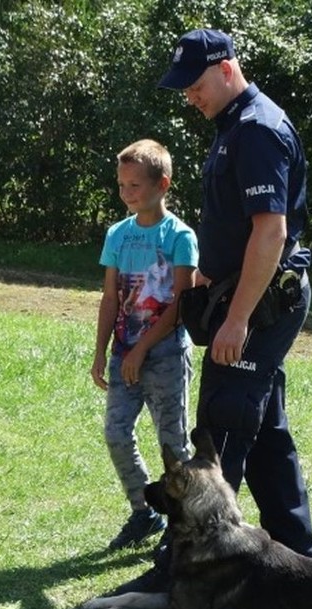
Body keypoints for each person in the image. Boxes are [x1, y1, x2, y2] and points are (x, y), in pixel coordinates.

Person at [114, 29, 312, 593]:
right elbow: (238, 223)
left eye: (195, 84)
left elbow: (271, 231)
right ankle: (299, 561)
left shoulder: (256, 129)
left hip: (260, 303)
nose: (189, 97)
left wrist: (238, 318)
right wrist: (211, 271)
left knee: (223, 425)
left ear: (227, 68)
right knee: (265, 428)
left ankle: (175, 569)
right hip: (239, 292)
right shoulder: (235, 125)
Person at [91, 139, 199, 550]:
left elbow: (180, 305)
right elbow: (110, 298)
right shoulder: (117, 235)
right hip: (123, 354)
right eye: (121, 185)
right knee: (117, 433)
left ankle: (184, 524)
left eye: (135, 185)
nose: (126, 193)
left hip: (166, 355)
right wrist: (103, 351)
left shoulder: (180, 237)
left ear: (162, 184)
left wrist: (141, 350)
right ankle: (144, 512)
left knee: (172, 442)